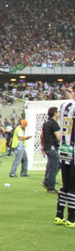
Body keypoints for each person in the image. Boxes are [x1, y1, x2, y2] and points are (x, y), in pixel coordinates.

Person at [55, 93, 75, 226]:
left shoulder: (64, 105)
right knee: (73, 185)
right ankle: (71, 218)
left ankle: (59, 215)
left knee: (65, 184)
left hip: (63, 148)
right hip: (73, 148)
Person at [41, 106, 61, 193]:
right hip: (52, 147)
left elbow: (42, 136)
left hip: (47, 147)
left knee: (51, 165)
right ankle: (50, 187)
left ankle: (46, 181)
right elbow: (58, 137)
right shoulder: (54, 123)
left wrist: (42, 146)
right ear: (55, 113)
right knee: (54, 167)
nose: (59, 113)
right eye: (58, 112)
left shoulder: (46, 123)